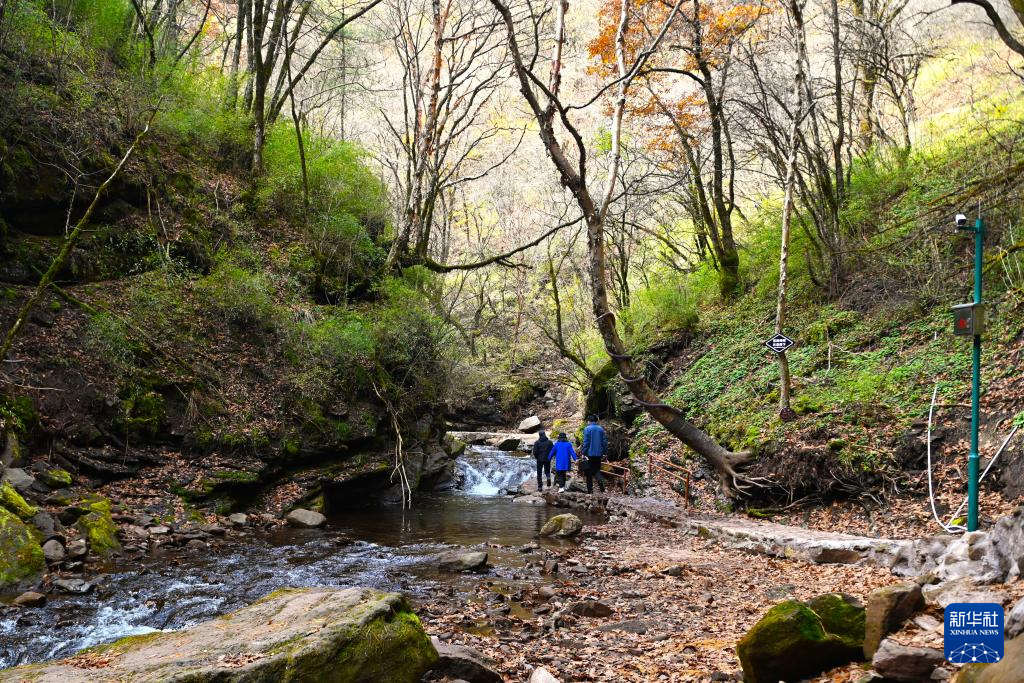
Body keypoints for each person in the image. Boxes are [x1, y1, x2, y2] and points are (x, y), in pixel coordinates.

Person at [581, 414, 607, 494]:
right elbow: (604, 442)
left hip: (589, 453)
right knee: (597, 470)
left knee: (588, 472)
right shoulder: (600, 429)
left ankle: (590, 490)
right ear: (596, 421)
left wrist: (583, 452)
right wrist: (604, 452)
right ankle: (601, 485)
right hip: (598, 454)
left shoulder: (587, 429)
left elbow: (586, 442)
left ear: (589, 421)